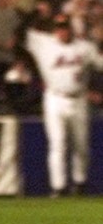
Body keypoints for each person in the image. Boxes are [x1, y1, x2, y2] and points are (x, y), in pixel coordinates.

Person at [25, 14, 103, 196]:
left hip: (79, 98)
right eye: (59, 27)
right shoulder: (44, 43)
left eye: (65, 27)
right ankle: (58, 187)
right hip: (55, 98)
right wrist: (38, 14)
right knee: (58, 143)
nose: (62, 31)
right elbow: (23, 31)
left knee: (81, 144)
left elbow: (100, 64)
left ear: (71, 29)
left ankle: (80, 182)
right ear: (54, 29)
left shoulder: (85, 47)